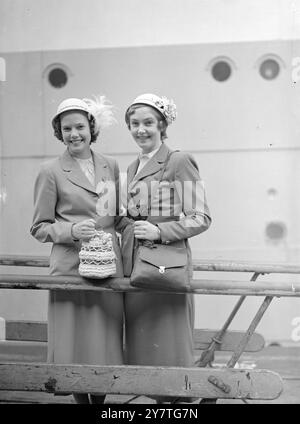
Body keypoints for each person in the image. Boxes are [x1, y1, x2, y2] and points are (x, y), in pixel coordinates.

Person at [30, 95, 128, 404]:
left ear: (91, 128)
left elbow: (117, 214)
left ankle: (99, 403)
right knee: (73, 343)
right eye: (67, 128)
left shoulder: (110, 164)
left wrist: (153, 230)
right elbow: (39, 227)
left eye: (80, 127)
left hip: (108, 264)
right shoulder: (50, 171)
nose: (74, 134)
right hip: (71, 267)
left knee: (103, 340)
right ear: (59, 131)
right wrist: (70, 230)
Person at [121, 93, 212, 403]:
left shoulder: (178, 160)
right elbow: (133, 218)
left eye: (148, 122)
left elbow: (201, 217)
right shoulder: (133, 166)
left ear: (162, 124)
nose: (141, 130)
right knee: (145, 359)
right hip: (136, 267)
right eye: (134, 123)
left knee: (171, 356)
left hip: (165, 270)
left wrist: (160, 231)